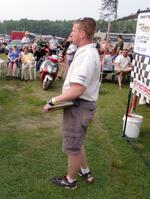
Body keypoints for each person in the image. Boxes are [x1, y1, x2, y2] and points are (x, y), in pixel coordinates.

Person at [43, 17, 100, 189]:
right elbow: (75, 79)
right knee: (77, 141)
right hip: (78, 105)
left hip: (79, 105)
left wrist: (52, 101)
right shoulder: (85, 51)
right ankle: (85, 170)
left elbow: (77, 90)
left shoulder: (87, 55)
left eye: (74, 30)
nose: (71, 33)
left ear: (82, 34)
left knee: (73, 146)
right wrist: (66, 65)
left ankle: (70, 181)